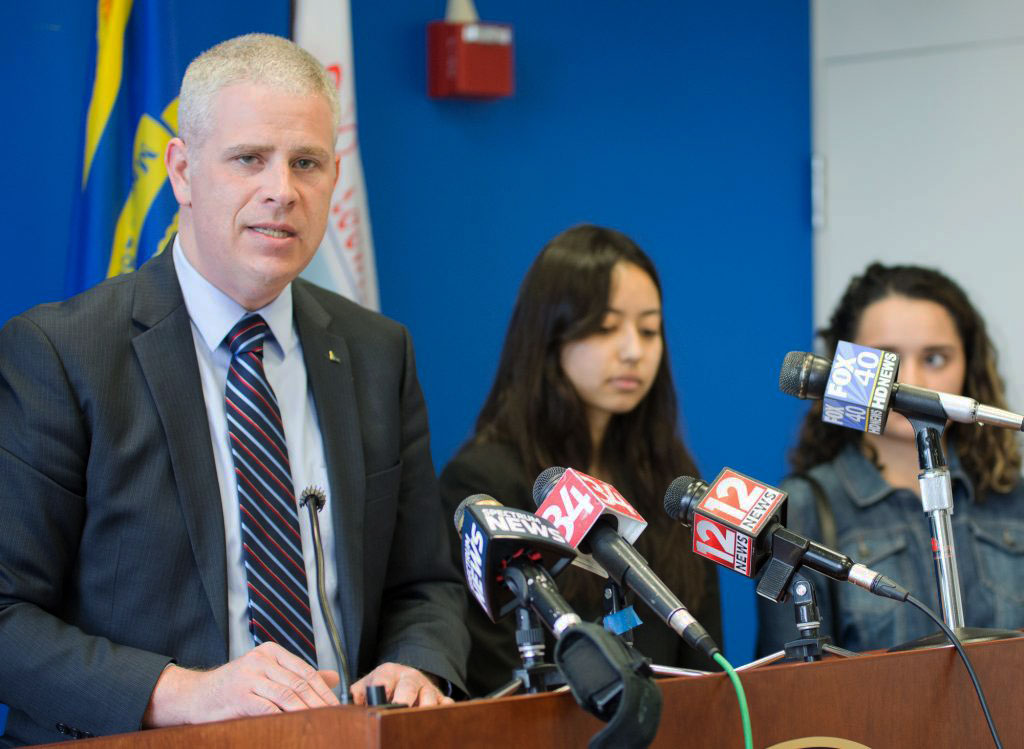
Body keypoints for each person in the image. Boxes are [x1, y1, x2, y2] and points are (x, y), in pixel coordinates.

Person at [0, 34, 467, 745]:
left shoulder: (377, 353)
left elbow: (424, 584)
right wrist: (182, 692)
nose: (282, 190)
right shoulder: (63, 353)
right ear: (182, 171)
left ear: (333, 176)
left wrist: (415, 664)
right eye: (249, 158)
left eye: (306, 162)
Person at [439, 224, 722, 696]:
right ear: (549, 336)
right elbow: (494, 673)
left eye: (649, 329)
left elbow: (705, 660)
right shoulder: (486, 482)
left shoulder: (672, 480)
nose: (634, 351)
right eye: (606, 328)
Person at [757, 262, 1024, 654]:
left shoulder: (1013, 498)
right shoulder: (805, 507)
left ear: (969, 367)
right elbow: (791, 681)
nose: (912, 380)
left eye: (935, 359)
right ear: (842, 371)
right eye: (886, 360)